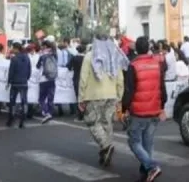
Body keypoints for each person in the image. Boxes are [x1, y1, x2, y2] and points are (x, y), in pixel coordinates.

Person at [122, 37, 166, 182]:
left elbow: (129, 90)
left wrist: (124, 108)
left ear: (136, 49)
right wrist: (162, 107)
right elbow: (162, 88)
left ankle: (151, 166)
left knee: (134, 142)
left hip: (138, 112)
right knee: (148, 142)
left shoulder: (133, 65)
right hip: (154, 110)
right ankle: (145, 171)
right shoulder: (157, 64)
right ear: (148, 48)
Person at [79, 34, 127, 168]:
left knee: (92, 122)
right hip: (111, 95)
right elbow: (120, 79)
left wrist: (81, 98)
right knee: (107, 123)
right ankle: (105, 152)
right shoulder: (114, 56)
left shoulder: (89, 56)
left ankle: (106, 145)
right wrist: (119, 96)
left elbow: (83, 78)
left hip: (93, 95)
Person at [7, 41, 31, 128]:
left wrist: (9, 81)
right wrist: (26, 78)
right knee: (24, 101)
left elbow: (11, 72)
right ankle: (23, 120)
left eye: (13, 48)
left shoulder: (14, 59)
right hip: (24, 82)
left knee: (12, 101)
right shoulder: (27, 57)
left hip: (15, 83)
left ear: (16, 49)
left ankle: (11, 119)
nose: (12, 50)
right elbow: (29, 71)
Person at [37, 40, 57, 124]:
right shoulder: (54, 54)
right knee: (50, 98)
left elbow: (37, 66)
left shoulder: (42, 56)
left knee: (41, 98)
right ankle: (49, 112)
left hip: (43, 79)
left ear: (44, 46)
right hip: (52, 78)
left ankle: (45, 111)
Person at [69, 44, 86, 121]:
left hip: (76, 78)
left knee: (78, 97)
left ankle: (80, 114)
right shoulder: (86, 58)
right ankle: (85, 113)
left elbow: (68, 66)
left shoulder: (74, 58)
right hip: (85, 79)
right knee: (85, 97)